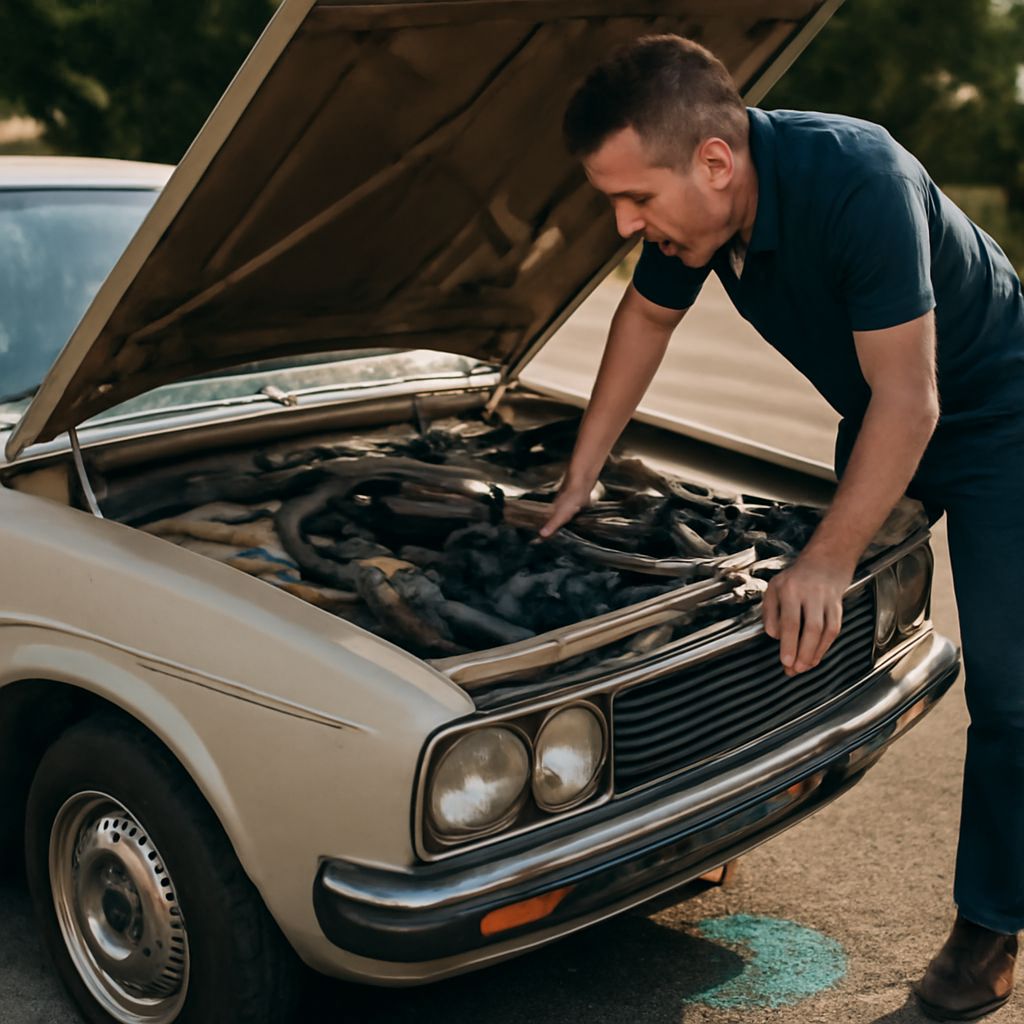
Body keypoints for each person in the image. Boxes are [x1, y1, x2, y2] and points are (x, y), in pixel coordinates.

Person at [539, 34, 1024, 1022]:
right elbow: (642, 323)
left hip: (993, 411)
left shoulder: (859, 180)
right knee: (779, 626)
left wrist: (829, 555)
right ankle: (710, 827)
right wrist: (579, 473)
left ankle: (991, 924)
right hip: (891, 405)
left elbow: (911, 398)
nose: (626, 222)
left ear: (714, 163)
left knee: (1012, 691)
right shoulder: (697, 220)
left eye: (636, 198)